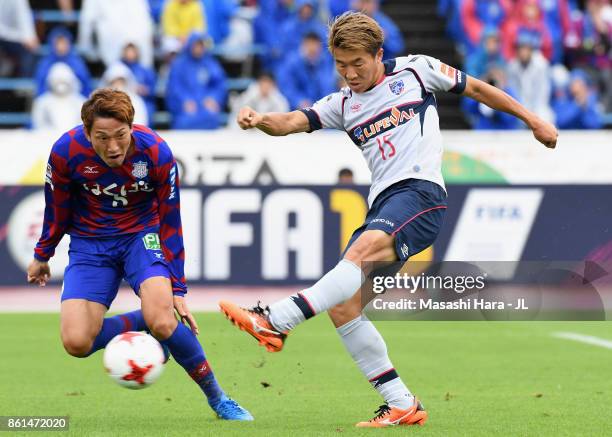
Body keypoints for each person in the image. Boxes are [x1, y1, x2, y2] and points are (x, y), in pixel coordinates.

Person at [219, 11, 557, 428]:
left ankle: (276, 320)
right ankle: (401, 403)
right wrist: (259, 121)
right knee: (344, 307)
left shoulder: (418, 70)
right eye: (341, 65)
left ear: (379, 54)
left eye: (358, 63)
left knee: (357, 254)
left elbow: (478, 89)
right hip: (384, 205)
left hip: (420, 195)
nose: (350, 73)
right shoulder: (342, 103)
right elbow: (291, 121)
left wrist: (533, 120)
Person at [26, 89, 252, 421]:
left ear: (132, 127)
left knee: (164, 321)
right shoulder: (66, 151)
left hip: (140, 238)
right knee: (76, 343)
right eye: (102, 138)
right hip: (90, 245)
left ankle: (218, 398)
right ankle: (143, 318)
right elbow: (57, 207)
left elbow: (171, 222)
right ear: (87, 133)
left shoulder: (156, 153)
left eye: (120, 135)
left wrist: (177, 289)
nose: (113, 146)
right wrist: (43, 254)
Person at [165, 32, 227, 130]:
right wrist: (185, 101)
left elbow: (219, 85)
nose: (198, 48)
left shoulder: (210, 64)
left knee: (212, 118)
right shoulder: (179, 64)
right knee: (184, 122)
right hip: (185, 110)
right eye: (196, 45)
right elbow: (174, 87)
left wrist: (213, 98)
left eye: (201, 45)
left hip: (206, 109)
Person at [276, 32, 336, 110]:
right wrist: (299, 101)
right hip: (296, 110)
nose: (312, 49)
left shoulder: (324, 63)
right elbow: (287, 88)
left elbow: (328, 87)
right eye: (309, 45)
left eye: (315, 45)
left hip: (320, 110)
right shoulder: (291, 63)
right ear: (303, 45)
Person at [506, 30, 554, 123]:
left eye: (526, 48)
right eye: (520, 48)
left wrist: (532, 113)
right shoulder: (512, 66)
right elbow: (513, 92)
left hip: (538, 106)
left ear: (531, 49)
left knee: (545, 116)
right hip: (520, 107)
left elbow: (543, 93)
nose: (523, 52)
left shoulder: (541, 65)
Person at [34, 27, 92, 97]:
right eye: (58, 43)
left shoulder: (76, 62)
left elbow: (84, 85)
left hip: (73, 98)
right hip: (51, 98)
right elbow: (40, 85)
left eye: (64, 43)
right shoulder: (46, 62)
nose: (61, 47)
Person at [31, 62, 85, 131]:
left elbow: (84, 124)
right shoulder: (42, 102)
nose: (61, 86)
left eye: (64, 82)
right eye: (58, 81)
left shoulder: (80, 101)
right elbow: (38, 124)